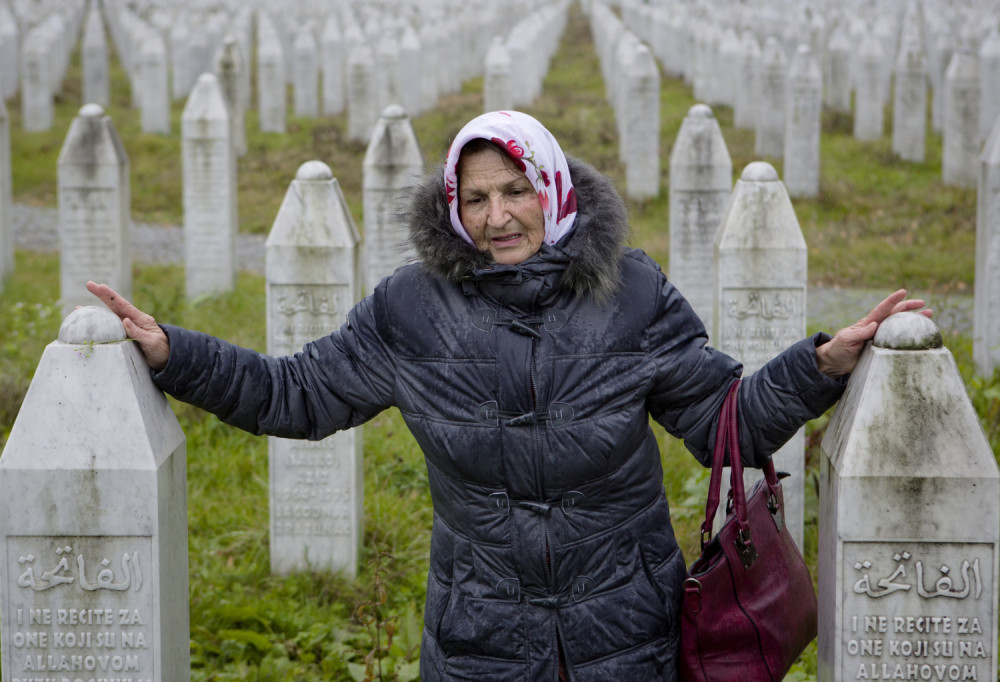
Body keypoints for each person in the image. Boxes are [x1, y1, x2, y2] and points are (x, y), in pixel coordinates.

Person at [89, 110, 930, 681]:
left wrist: (817, 365)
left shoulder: (629, 293)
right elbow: (297, 394)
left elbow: (723, 421)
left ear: (554, 189)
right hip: (481, 634)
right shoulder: (412, 310)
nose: (498, 217)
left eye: (516, 189)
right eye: (476, 197)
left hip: (625, 632)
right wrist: (176, 355)